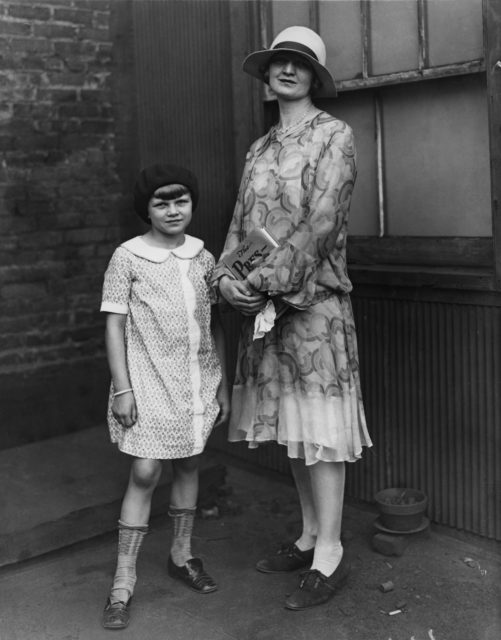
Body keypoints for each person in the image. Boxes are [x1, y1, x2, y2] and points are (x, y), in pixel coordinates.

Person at [212, 26, 372, 611]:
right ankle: (308, 536)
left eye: (299, 64)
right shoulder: (260, 148)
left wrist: (262, 283)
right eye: (279, 62)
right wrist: (227, 280)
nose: (287, 70)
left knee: (322, 430)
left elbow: (322, 221)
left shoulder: (336, 136)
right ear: (267, 74)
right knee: (293, 427)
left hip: (313, 303)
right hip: (263, 307)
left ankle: (330, 552)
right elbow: (239, 225)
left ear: (314, 78)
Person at [100, 163, 230, 630]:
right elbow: (114, 325)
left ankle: (182, 554)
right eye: (162, 202)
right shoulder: (128, 257)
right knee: (145, 468)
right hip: (146, 377)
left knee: (191, 461)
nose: (173, 210)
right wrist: (123, 388)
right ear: (147, 209)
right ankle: (123, 579)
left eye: (181, 201)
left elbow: (215, 322)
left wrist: (223, 382)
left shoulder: (204, 257)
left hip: (196, 377)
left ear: (192, 204)